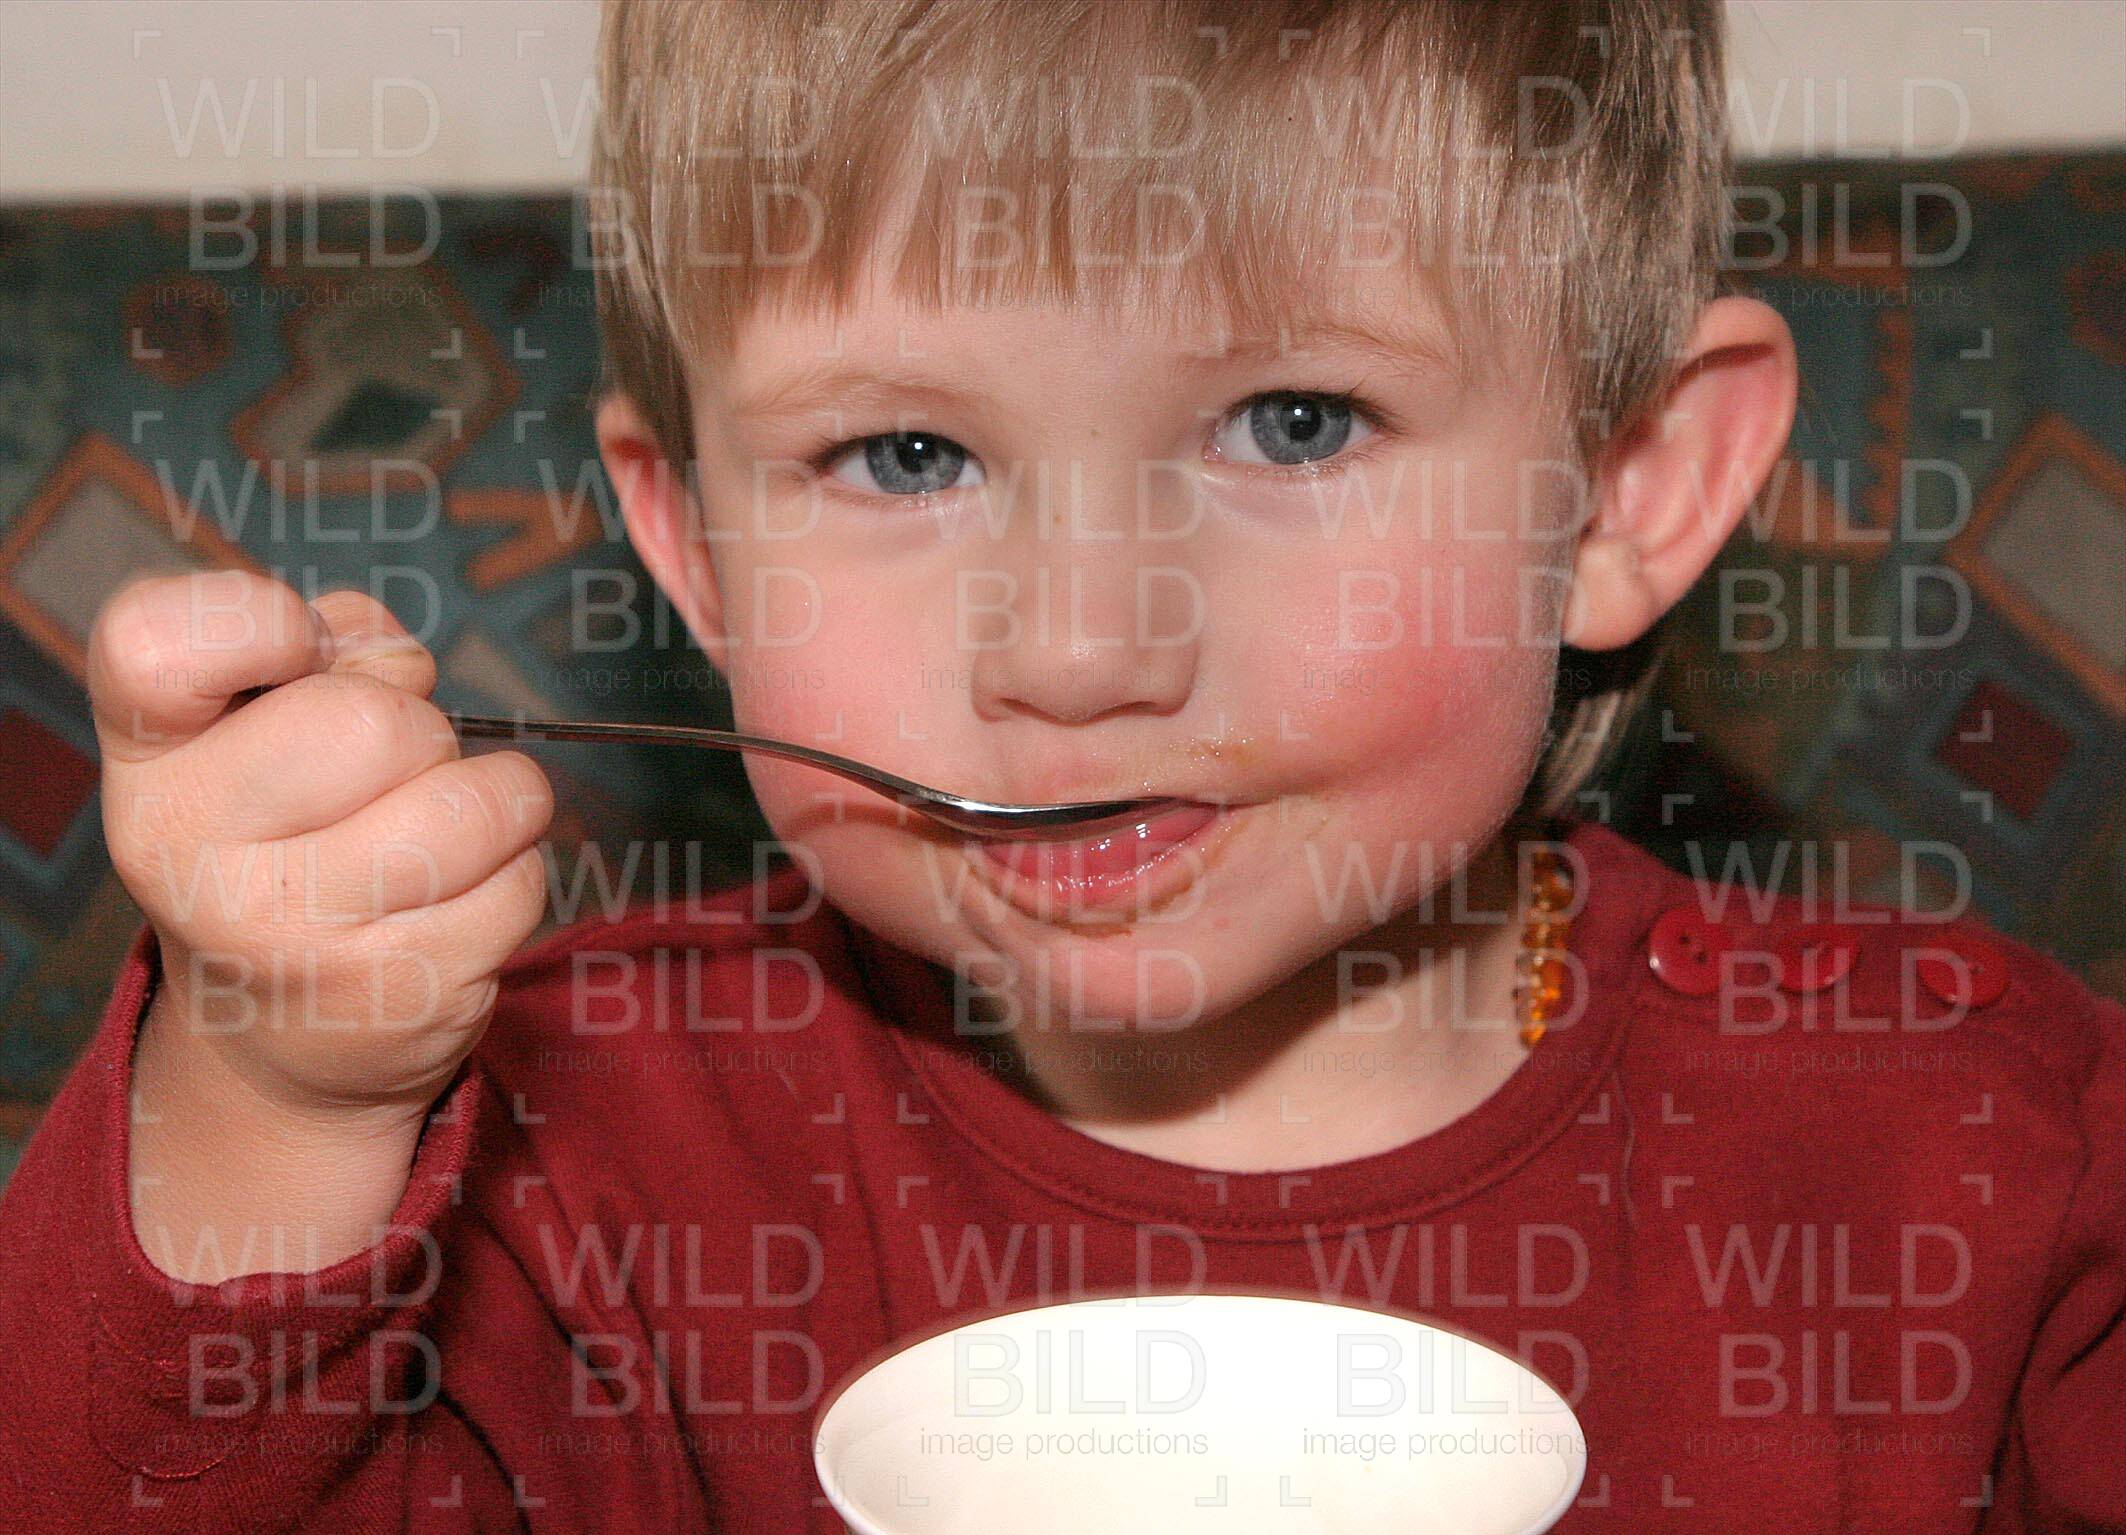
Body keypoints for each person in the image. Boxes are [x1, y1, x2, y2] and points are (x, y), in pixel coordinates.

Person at [3, 1, 2120, 1529]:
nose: (1081, 651)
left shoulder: (1984, 1149)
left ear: (1626, 486)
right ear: (695, 546)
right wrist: (271, 1103)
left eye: (1293, 424)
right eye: (905, 454)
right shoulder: (553, 1169)